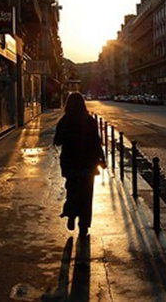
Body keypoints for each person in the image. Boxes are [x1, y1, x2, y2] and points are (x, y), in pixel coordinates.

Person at [53, 92, 105, 236]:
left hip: (70, 163)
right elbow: (97, 141)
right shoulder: (89, 120)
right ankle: (84, 226)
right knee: (86, 195)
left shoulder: (65, 121)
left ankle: (70, 214)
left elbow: (57, 141)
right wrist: (102, 159)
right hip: (88, 164)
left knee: (72, 190)